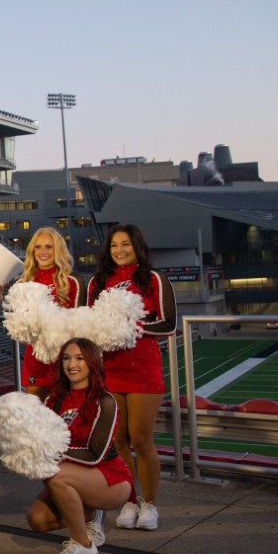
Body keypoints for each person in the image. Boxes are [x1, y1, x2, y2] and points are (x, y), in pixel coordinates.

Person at [87, 224, 176, 532]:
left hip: (142, 368)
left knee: (142, 439)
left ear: (137, 246)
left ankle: (149, 504)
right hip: (110, 369)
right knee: (119, 440)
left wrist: (129, 327)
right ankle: (129, 499)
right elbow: (90, 324)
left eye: (125, 244)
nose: (120, 250)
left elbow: (169, 324)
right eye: (114, 245)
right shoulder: (98, 282)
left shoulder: (153, 279)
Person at [26, 338, 133, 554]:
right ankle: (89, 513)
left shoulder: (105, 401)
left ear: (92, 362)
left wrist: (51, 453)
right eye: (66, 358)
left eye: (79, 358)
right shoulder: (53, 399)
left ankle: (83, 546)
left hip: (110, 478)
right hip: (72, 474)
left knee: (55, 473)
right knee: (38, 519)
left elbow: (96, 454)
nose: (71, 364)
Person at [14, 228, 84, 399]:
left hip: (66, 358)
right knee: (37, 417)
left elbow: (81, 326)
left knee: (66, 416)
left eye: (48, 247)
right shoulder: (25, 282)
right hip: (35, 359)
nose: (42, 252)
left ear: (58, 249)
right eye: (37, 247)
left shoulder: (73, 281)